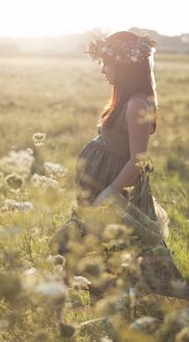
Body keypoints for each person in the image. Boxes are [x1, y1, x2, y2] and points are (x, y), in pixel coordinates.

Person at [74, 31, 189, 300]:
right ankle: (112, 315)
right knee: (105, 256)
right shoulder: (123, 101)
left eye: (107, 63)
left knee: (138, 260)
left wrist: (108, 194)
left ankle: (164, 314)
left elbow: (138, 159)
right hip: (106, 190)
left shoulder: (137, 103)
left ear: (124, 66)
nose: (103, 70)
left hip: (120, 196)